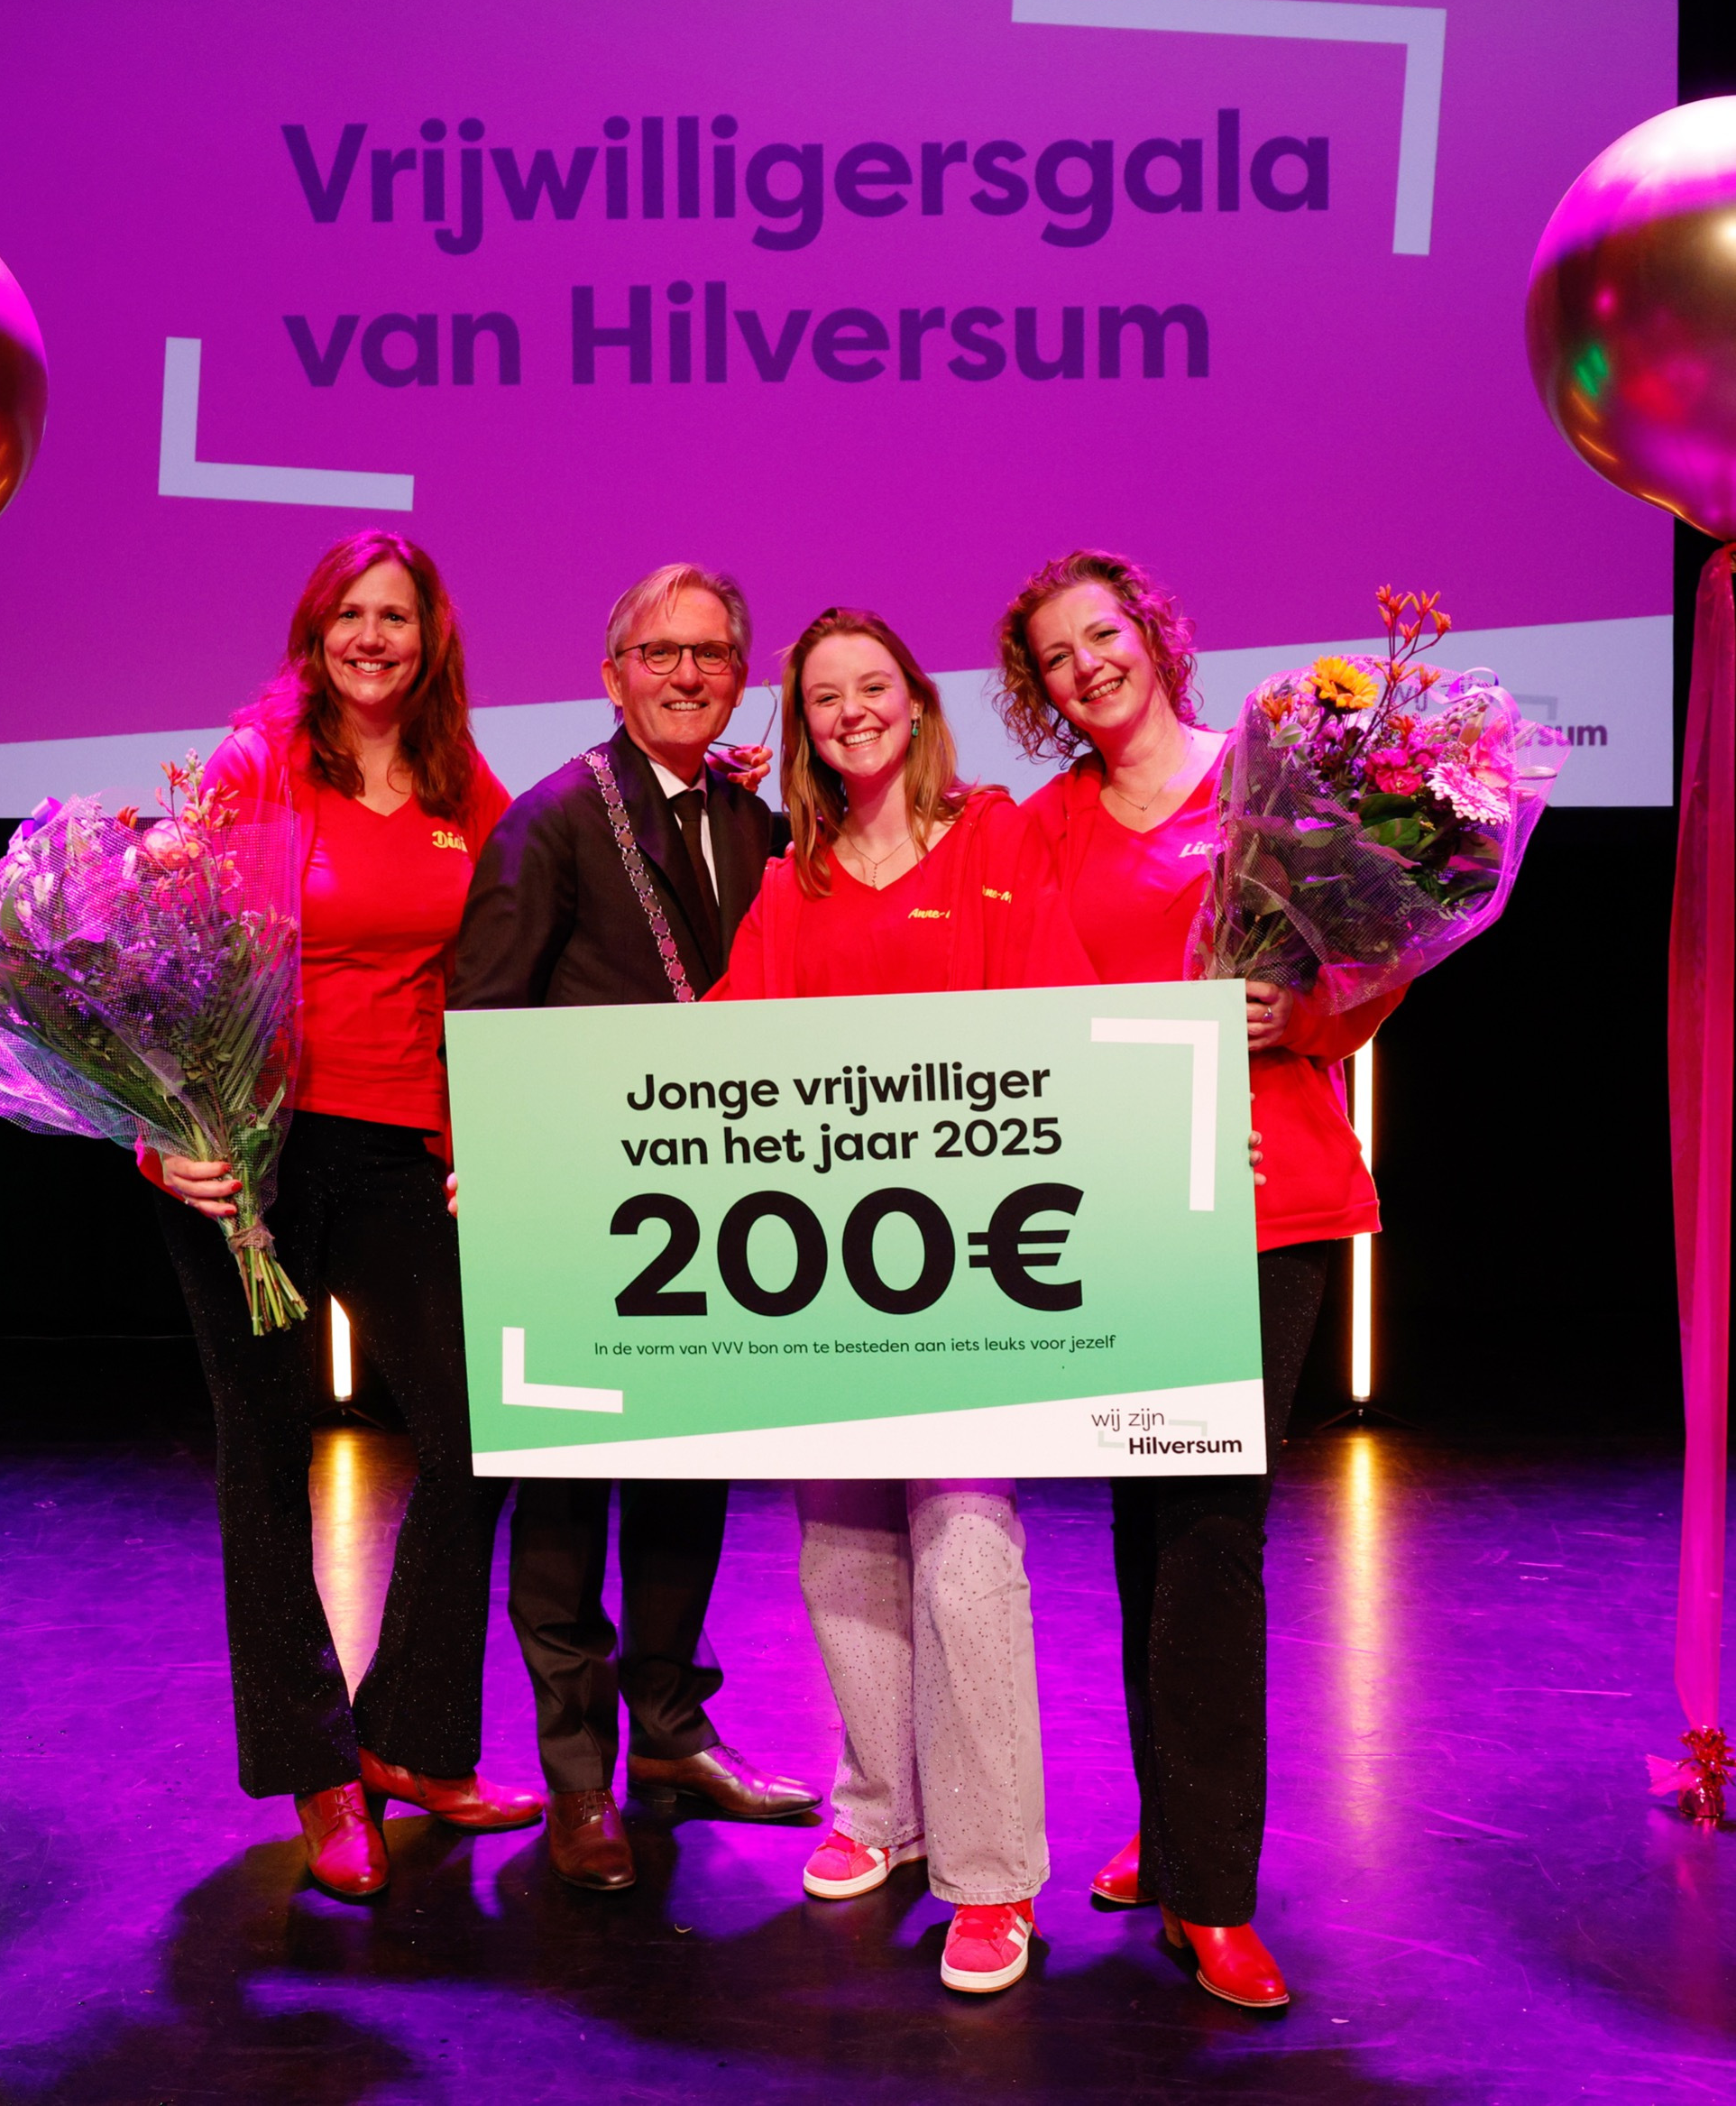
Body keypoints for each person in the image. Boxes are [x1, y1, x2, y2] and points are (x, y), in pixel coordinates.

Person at [997, 547, 1401, 2011]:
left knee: (1212, 1533)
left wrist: (1307, 1008)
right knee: (1146, 1529)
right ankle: (1170, 1825)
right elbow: (1022, 1003)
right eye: (1054, 656)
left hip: (1265, 1200)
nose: (1085, 666)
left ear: (1153, 635)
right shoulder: (1043, 826)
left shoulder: (1272, 783)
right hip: (1118, 1205)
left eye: (1101, 634)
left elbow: (1368, 968)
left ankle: (1212, 1890)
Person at [706, 607, 1097, 1995]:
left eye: (872, 687)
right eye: (824, 697)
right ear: (803, 728)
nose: (851, 712)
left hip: (969, 1267)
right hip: (827, 1273)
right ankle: (881, 1804)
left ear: (917, 703)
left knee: (965, 1547)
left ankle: (991, 1874)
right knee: (839, 1543)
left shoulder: (994, 841)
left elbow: (1062, 1016)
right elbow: (716, 1050)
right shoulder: (790, 879)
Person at [150, 530, 544, 1902]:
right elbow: (165, 963)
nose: (374, 637)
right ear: (315, 633)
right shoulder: (255, 766)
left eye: (399, 617)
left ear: (432, 640)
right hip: (254, 1155)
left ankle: (409, 1738)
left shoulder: (463, 784)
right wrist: (165, 1136)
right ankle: (318, 1772)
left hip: (405, 1149)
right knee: (264, 1458)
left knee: (479, 1431)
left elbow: (516, 953)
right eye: (351, 615)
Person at [451, 563, 819, 1893]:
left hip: (705, 1220)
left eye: (711, 653)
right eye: (660, 653)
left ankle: (670, 1732)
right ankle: (579, 1781)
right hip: (574, 1218)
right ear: (612, 676)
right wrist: (498, 1164)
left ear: (741, 675)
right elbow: (485, 1013)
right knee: (562, 1506)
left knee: (682, 1491)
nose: (686, 674)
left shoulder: (757, 822)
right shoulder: (551, 819)